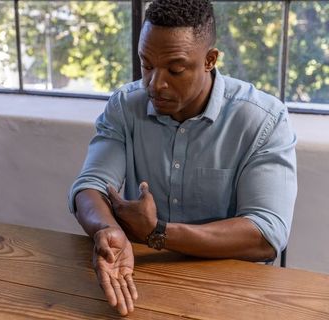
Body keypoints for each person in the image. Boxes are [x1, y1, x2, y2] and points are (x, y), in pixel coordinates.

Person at [68, 0, 297, 316]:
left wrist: (158, 232)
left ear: (210, 60)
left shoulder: (264, 120)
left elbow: (267, 234)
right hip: (143, 278)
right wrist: (108, 230)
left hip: (237, 290)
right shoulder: (125, 106)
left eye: (175, 69)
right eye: (146, 64)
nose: (154, 83)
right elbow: (89, 187)